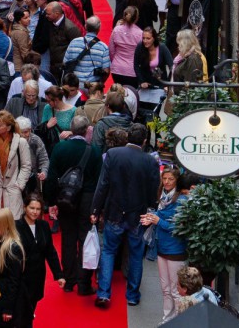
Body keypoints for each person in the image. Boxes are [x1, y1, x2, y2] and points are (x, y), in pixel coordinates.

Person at [90, 124, 160, 308]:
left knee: (109, 251)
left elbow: (102, 184)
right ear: (145, 141)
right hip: (138, 214)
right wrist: (151, 210)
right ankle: (132, 295)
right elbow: (153, 192)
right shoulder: (150, 161)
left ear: (128, 136)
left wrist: (95, 210)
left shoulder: (113, 154)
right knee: (136, 255)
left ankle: (104, 293)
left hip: (114, 211)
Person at [44, 115, 102, 295]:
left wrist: (51, 202)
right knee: (85, 240)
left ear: (71, 128)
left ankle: (68, 280)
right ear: (86, 131)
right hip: (87, 199)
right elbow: (100, 181)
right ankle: (84, 283)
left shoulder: (60, 148)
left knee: (68, 238)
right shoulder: (94, 151)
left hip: (66, 198)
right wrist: (98, 208)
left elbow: (51, 176)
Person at [141, 168, 190, 322]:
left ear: (176, 181)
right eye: (165, 179)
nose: (167, 182)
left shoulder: (182, 201)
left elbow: (180, 228)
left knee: (176, 290)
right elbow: (162, 216)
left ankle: (178, 321)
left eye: (170, 179)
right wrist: (152, 217)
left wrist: (157, 221)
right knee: (165, 289)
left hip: (176, 249)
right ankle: (167, 319)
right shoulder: (163, 198)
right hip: (162, 247)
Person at [16, 193, 65, 325]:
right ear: (25, 207)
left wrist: (59, 275)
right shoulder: (16, 227)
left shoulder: (43, 226)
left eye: (38, 209)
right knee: (22, 314)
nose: (35, 212)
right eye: (32, 208)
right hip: (21, 278)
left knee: (30, 309)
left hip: (37, 276)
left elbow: (50, 252)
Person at [0, 110, 32, 221]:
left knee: (12, 224)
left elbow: (26, 166)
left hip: (12, 188)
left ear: (8, 127)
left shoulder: (21, 142)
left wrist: (19, 185)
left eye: (0, 125)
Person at [63, 16, 110, 83]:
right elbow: (106, 71)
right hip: (93, 86)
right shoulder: (103, 47)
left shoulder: (74, 42)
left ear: (85, 26)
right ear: (99, 28)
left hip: (75, 84)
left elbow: (65, 63)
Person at [43, 1, 82, 82]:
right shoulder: (49, 23)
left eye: (48, 14)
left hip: (65, 68)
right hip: (53, 66)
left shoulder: (70, 28)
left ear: (57, 13)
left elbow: (79, 48)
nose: (46, 16)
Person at [109, 6, 144, 88]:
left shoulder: (116, 30)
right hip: (132, 70)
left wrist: (115, 60)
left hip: (117, 69)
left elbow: (111, 50)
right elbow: (141, 53)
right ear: (136, 18)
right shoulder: (140, 33)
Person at [15, 116, 49, 194]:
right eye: (22, 132)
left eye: (27, 131)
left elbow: (44, 160)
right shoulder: (12, 141)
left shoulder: (36, 140)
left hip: (33, 179)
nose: (25, 135)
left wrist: (44, 172)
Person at [172, 29, 207, 95]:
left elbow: (190, 85)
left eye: (179, 44)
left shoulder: (193, 59)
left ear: (184, 44)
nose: (178, 47)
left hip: (185, 100)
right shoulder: (188, 57)